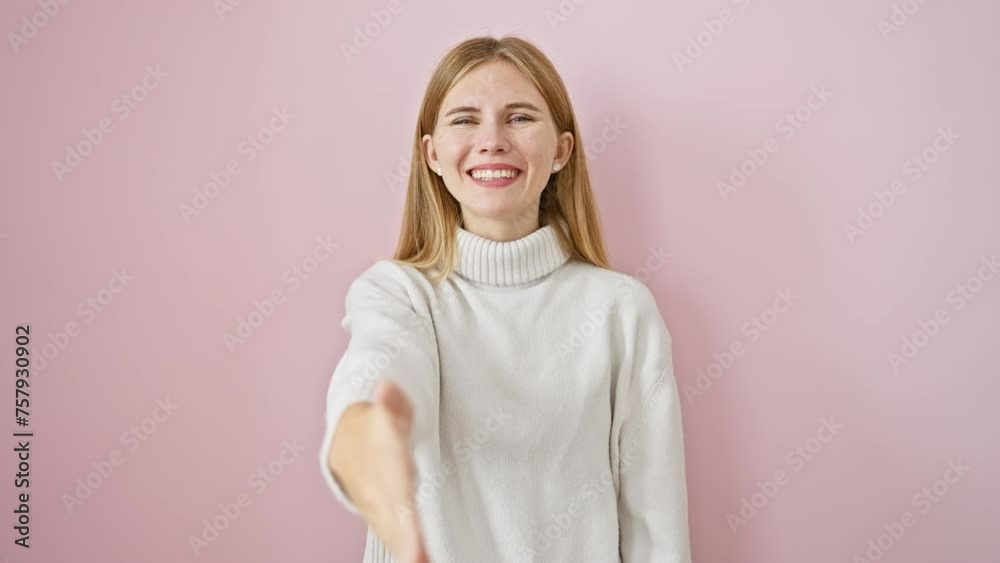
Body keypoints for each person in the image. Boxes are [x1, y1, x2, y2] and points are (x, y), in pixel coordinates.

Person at [319, 34, 691, 563]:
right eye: (464, 120)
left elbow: (657, 526)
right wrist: (369, 429)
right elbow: (383, 364)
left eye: (519, 118)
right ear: (432, 156)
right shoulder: (400, 294)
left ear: (562, 150)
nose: (491, 140)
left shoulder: (621, 311)